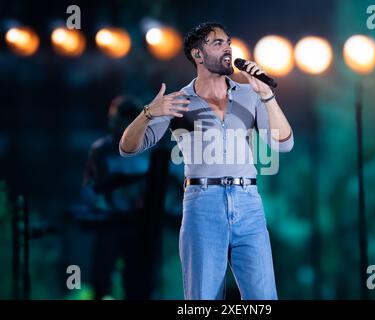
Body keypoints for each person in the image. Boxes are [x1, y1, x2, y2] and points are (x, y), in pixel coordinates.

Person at [119, 22, 294, 300]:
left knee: (264, 298)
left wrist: (267, 96)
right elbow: (127, 148)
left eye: (228, 41)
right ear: (198, 55)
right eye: (217, 43)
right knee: (202, 299)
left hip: (248, 202)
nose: (227, 47)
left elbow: (284, 144)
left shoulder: (250, 94)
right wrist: (149, 113)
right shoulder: (178, 102)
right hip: (203, 203)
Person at [82, 96, 150, 299]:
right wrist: (103, 203)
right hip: (109, 224)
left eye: (119, 119)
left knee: (137, 283)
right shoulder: (101, 150)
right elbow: (87, 189)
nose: (114, 124)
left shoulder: (148, 149)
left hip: (138, 225)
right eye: (114, 119)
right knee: (101, 281)